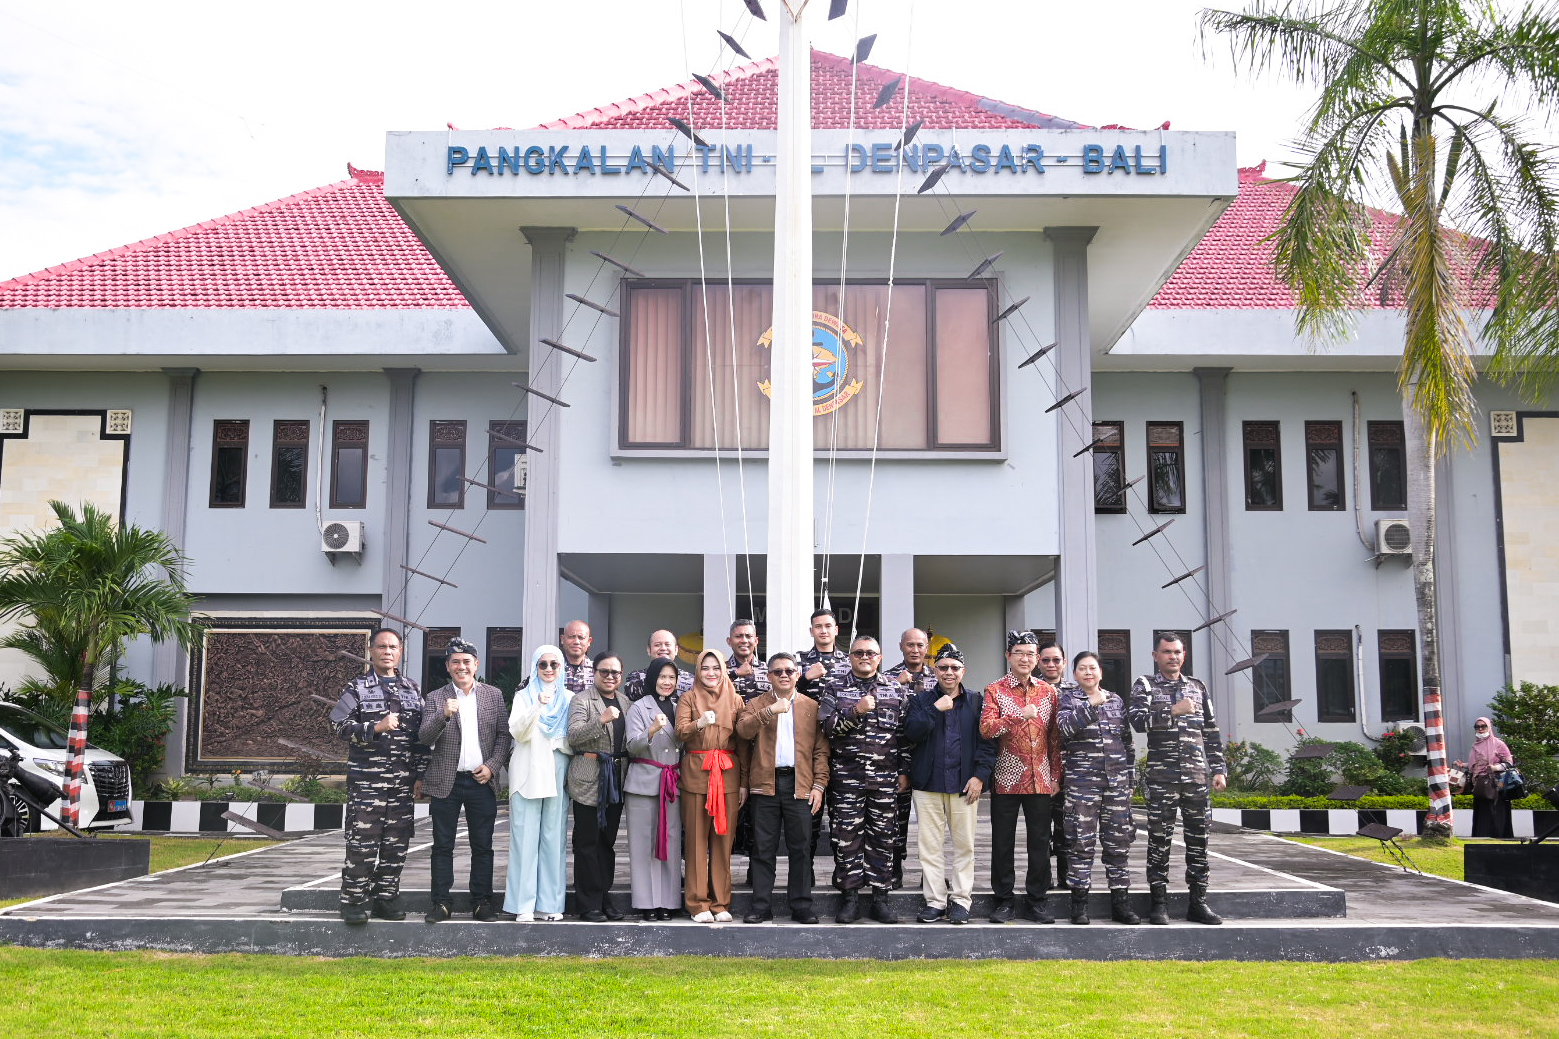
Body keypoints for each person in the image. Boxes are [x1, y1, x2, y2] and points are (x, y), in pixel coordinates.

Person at [328, 627, 428, 924]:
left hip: (401, 784)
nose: (387, 651)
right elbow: (338, 726)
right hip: (367, 783)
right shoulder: (357, 687)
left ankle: (386, 899)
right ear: (371, 652)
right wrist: (375, 728)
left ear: (400, 652)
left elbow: (421, 738)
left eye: (393, 647)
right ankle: (353, 901)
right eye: (382, 647)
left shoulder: (411, 689)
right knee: (362, 843)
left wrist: (420, 775)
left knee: (396, 845)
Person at [1129, 632, 1227, 926]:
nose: (1173, 656)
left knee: (1199, 841)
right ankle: (1159, 904)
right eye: (1167, 652)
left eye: (1178, 652)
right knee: (1159, 842)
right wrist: (1173, 711)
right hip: (1163, 779)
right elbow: (1136, 721)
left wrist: (1218, 768)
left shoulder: (1197, 687)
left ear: (1184, 655)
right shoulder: (1146, 685)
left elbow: (1210, 730)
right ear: (1155, 655)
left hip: (1197, 777)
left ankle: (1198, 903)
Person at [417, 637, 512, 924]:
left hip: (480, 781)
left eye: (466, 661)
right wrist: (443, 715)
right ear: (448, 666)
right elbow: (424, 737)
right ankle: (441, 903)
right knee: (442, 845)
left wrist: (493, 766)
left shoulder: (493, 695)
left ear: (476, 664)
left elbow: (503, 736)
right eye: (455, 662)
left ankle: (482, 902)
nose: (461, 666)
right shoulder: (435, 698)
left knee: (482, 846)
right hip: (446, 782)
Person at [818, 635, 911, 924]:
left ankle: (880, 898)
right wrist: (855, 710)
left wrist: (904, 771)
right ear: (851, 657)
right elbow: (827, 728)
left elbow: (904, 736)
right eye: (858, 652)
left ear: (880, 657)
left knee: (883, 837)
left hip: (885, 778)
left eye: (870, 652)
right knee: (846, 838)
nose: (864, 657)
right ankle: (850, 898)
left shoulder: (895, 689)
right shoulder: (835, 688)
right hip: (847, 778)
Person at [903, 643, 994, 925]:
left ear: (963, 671)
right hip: (928, 784)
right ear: (935, 670)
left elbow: (988, 744)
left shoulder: (977, 701)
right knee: (929, 848)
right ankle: (935, 901)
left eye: (955, 667)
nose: (949, 672)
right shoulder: (920, 700)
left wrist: (980, 777)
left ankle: (961, 902)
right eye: (943, 667)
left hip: (964, 786)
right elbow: (911, 733)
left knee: (964, 847)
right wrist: (935, 709)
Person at [736, 651, 829, 924]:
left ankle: (801, 905)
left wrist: (819, 785)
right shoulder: (756, 704)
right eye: (778, 671)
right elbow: (742, 731)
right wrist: (769, 711)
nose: (784, 675)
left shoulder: (811, 707)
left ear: (797, 674)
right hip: (765, 784)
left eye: (789, 670)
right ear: (769, 677)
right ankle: (761, 906)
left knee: (800, 848)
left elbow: (821, 751)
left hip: (800, 784)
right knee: (763, 848)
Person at [979, 630, 1062, 924]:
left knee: (1040, 842)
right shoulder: (995, 690)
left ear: (1037, 659)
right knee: (1003, 843)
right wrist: (1019, 716)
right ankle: (1003, 901)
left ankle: (1037, 901)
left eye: (1030, 654)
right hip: (1006, 778)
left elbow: (1054, 738)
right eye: (1019, 653)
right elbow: (987, 728)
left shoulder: (1049, 692)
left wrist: (1056, 774)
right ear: (1008, 656)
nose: (1025, 659)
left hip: (1040, 776)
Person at [1055, 650, 1139, 926]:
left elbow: (1127, 743)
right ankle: (1079, 905)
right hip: (1082, 785)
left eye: (1093, 668)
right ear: (1075, 674)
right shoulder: (1067, 699)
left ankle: (1121, 904)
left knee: (1118, 844)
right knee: (1080, 843)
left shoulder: (1115, 700)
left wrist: (1129, 781)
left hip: (1116, 785)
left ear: (1101, 672)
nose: (1088, 672)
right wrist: (1090, 703)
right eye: (1082, 668)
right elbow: (1065, 730)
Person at [675, 647, 747, 923]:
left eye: (715, 667)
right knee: (695, 841)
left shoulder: (736, 700)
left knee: (723, 842)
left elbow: (742, 744)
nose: (711, 673)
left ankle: (720, 903)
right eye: (705, 668)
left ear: (723, 670)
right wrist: (699, 724)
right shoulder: (688, 697)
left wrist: (742, 783)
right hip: (696, 775)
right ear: (697, 671)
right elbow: (679, 732)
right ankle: (697, 904)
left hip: (727, 776)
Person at [503, 644, 573, 922]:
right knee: (524, 838)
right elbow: (518, 732)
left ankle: (549, 904)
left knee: (553, 837)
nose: (548, 669)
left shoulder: (569, 698)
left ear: (561, 668)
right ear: (534, 667)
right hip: (529, 768)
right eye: (542, 664)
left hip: (557, 766)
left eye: (553, 664)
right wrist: (537, 706)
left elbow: (572, 736)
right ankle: (523, 905)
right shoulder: (523, 696)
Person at [566, 652, 631, 921]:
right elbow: (573, 736)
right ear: (595, 672)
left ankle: (604, 898)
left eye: (615, 672)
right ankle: (587, 903)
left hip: (615, 779)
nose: (610, 677)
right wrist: (600, 720)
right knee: (587, 842)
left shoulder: (626, 702)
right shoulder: (582, 700)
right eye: (605, 671)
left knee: (607, 842)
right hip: (588, 778)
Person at [624, 657, 685, 921]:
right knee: (644, 845)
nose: (667, 682)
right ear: (652, 678)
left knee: (670, 843)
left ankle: (668, 902)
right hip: (643, 784)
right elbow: (632, 747)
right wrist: (650, 730)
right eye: (662, 677)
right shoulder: (639, 707)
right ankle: (647, 902)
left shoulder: (679, 706)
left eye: (671, 677)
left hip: (672, 784)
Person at [884, 628, 937, 889]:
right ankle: (894, 870)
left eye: (919, 645)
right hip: (898, 759)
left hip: (931, 759)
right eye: (910, 645)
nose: (915, 649)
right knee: (897, 819)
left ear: (926, 647)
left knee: (932, 822)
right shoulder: (887, 678)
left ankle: (932, 875)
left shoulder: (938, 678)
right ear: (901, 646)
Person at [1037, 641, 1075, 891]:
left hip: (1071, 768)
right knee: (1040, 827)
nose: (1051, 665)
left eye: (1056, 660)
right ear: (1039, 661)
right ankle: (1043, 878)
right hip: (1039, 767)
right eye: (1046, 660)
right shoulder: (1033, 689)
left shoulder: (1075, 690)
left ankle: (1066, 876)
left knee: (1067, 826)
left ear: (1064, 662)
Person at [1455, 717, 1515, 839]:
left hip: (1496, 785)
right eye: (1477, 727)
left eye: (1483, 726)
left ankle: (1498, 837)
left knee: (1496, 810)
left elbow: (1509, 763)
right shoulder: (1475, 745)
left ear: (1489, 727)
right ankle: (1481, 836)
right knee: (1482, 811)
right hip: (1480, 785)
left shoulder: (1498, 744)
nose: (1480, 729)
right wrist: (1463, 765)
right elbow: (1477, 765)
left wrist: (1495, 768)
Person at [625, 629, 694, 702]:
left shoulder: (690, 679)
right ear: (649, 650)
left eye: (667, 644)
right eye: (657, 645)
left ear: (676, 650)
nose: (663, 648)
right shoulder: (637, 676)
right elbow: (630, 694)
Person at [797, 608, 851, 699]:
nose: (823, 631)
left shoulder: (849, 661)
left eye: (828, 626)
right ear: (811, 631)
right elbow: (785, 693)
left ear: (836, 630)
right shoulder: (798, 660)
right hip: (807, 712)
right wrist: (806, 678)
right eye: (818, 626)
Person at [726, 619, 771, 701]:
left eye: (748, 636)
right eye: (738, 636)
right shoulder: (719, 670)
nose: (744, 640)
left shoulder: (770, 670)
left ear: (756, 641)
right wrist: (734, 674)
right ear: (729, 641)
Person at [560, 619, 595, 694]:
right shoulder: (551, 668)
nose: (576, 642)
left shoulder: (598, 670)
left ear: (589, 641)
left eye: (581, 637)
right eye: (571, 637)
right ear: (562, 639)